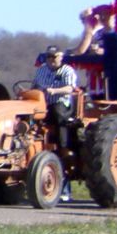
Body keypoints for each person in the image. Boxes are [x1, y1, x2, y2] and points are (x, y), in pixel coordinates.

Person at [34, 44, 81, 201]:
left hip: (60, 105)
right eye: (48, 56)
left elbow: (70, 88)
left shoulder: (67, 71)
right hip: (42, 106)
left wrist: (54, 91)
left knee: (57, 113)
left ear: (61, 57)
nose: (51, 60)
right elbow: (35, 86)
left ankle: (63, 144)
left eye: (54, 57)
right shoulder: (41, 70)